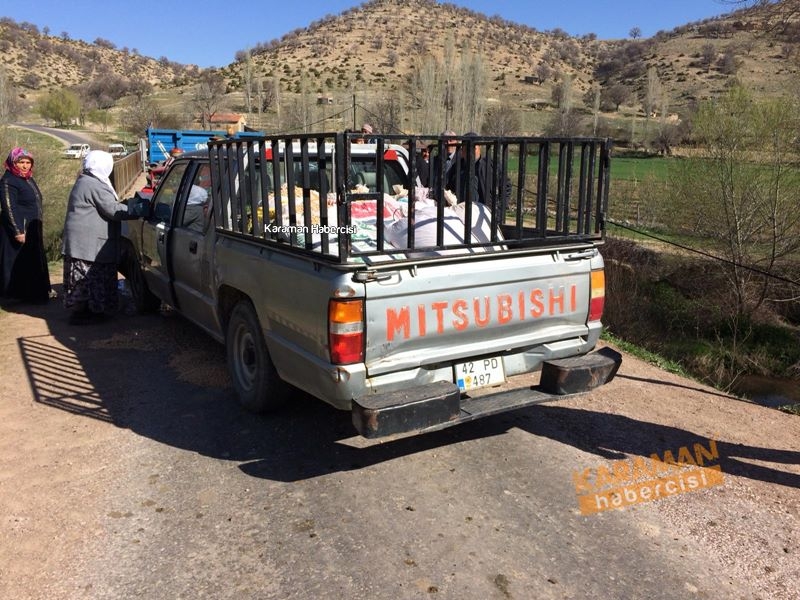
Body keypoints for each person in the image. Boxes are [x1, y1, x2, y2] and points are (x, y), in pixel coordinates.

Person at [61, 150, 140, 324]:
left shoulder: (87, 180)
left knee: (87, 278)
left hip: (83, 241)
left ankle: (88, 311)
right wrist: (137, 211)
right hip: (87, 244)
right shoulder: (93, 184)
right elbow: (112, 210)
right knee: (89, 277)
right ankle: (88, 313)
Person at [0, 147, 53, 303]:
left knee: (32, 260)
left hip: (32, 227)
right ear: (13, 163)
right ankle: (15, 295)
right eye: (21, 162)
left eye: (28, 162)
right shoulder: (8, 181)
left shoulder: (27, 178)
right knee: (18, 262)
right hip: (19, 230)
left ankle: (35, 293)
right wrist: (18, 230)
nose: (25, 166)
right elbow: (9, 207)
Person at [447, 132, 512, 211]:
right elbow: (448, 188)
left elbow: (506, 187)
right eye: (466, 148)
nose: (470, 152)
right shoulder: (456, 167)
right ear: (462, 150)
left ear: (479, 148)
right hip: (461, 213)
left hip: (484, 215)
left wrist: (499, 210)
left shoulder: (492, 165)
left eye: (473, 148)